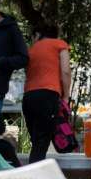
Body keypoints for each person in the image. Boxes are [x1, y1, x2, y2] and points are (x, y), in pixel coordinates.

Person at [22, 24, 71, 163]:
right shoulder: (60, 44)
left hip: (29, 98)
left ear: (38, 35)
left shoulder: (31, 49)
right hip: (48, 96)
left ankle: (34, 178)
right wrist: (66, 96)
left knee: (37, 142)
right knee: (41, 143)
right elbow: (66, 72)